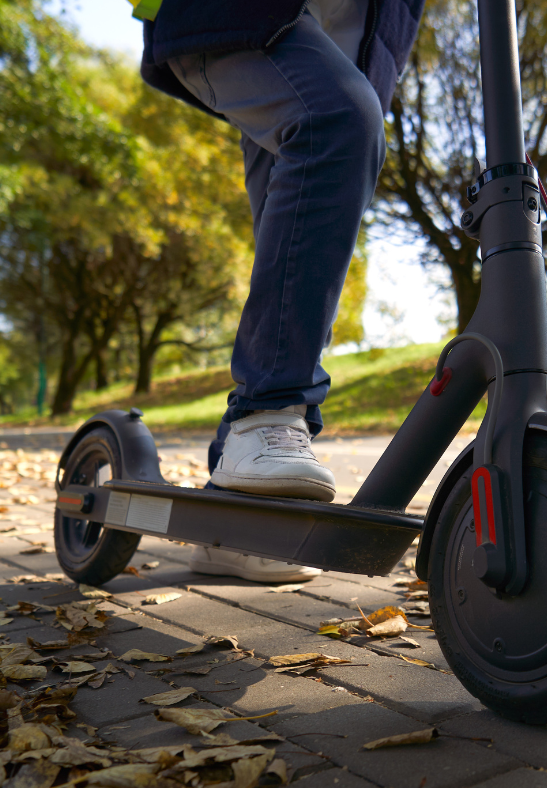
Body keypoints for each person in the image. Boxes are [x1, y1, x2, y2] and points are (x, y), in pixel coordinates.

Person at [138, 0, 425, 582]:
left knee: (298, 227)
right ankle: (265, 415)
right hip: (239, 15)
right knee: (334, 121)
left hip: (346, 42)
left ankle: (233, 514)